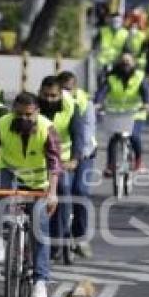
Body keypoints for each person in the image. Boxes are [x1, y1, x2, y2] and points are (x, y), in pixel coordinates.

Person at [0, 92, 62, 297]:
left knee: (39, 225)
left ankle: (40, 281)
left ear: (37, 112)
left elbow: (55, 163)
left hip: (39, 182)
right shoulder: (2, 124)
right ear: (13, 111)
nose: (24, 119)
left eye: (29, 115)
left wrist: (53, 193)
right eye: (19, 114)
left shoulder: (47, 128)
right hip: (11, 174)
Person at [36, 76, 87, 261]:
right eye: (46, 95)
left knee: (63, 190)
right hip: (36, 160)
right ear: (40, 92)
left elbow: (79, 135)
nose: (49, 99)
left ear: (60, 94)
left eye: (53, 96)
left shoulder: (71, 106)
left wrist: (74, 159)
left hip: (62, 160)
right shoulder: (31, 107)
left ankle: (57, 240)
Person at [58, 70, 97, 258]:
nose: (65, 93)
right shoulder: (53, 103)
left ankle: (81, 237)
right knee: (61, 190)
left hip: (84, 155)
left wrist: (78, 157)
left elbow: (87, 132)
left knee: (81, 192)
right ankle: (56, 234)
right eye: (62, 89)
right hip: (60, 157)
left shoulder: (84, 103)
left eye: (69, 89)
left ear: (75, 88)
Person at [101, 52, 149, 175]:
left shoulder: (140, 77)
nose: (126, 65)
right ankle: (110, 165)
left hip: (135, 114)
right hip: (116, 113)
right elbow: (101, 92)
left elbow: (146, 93)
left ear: (134, 63)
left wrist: (147, 103)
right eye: (123, 62)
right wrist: (97, 103)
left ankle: (139, 162)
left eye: (128, 62)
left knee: (134, 136)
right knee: (114, 139)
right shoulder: (111, 78)